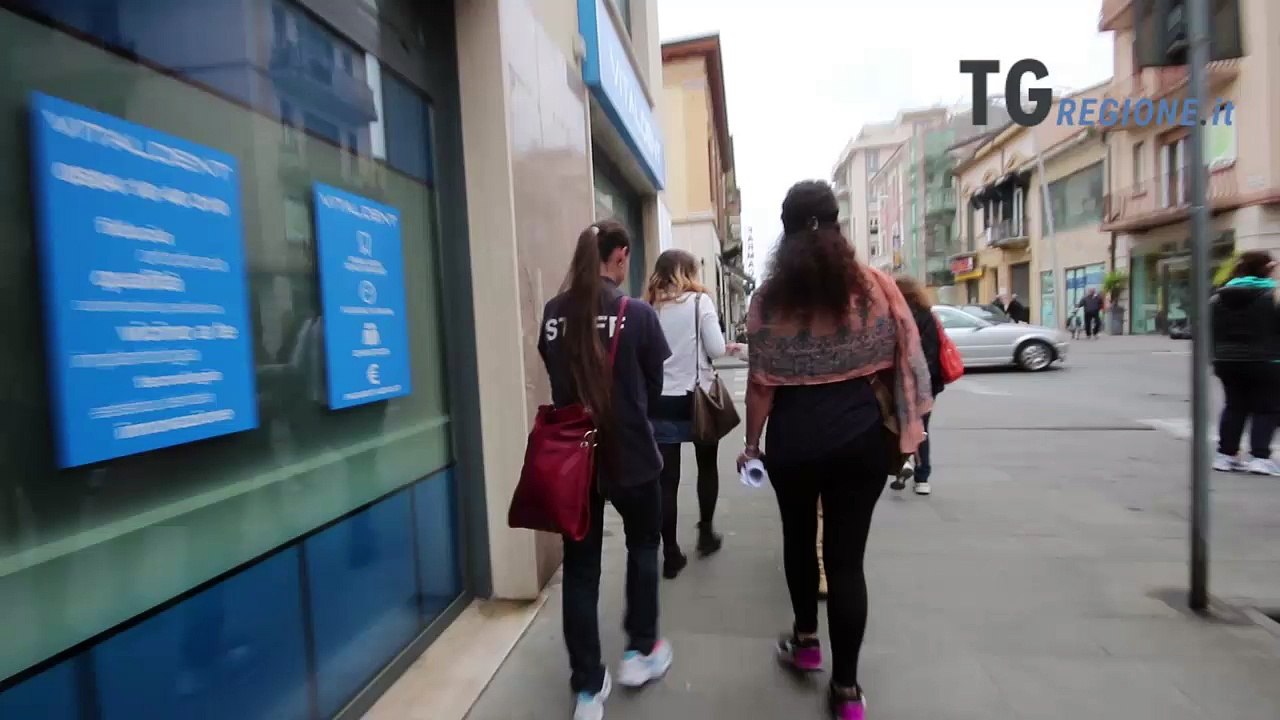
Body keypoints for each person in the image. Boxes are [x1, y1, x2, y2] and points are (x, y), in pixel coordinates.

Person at [737, 181, 932, 719]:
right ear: (837, 225)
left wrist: (752, 445)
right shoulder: (875, 288)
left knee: (799, 542)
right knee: (847, 563)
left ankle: (806, 644)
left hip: (794, 440)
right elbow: (906, 352)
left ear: (786, 234)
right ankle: (846, 693)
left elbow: (760, 386)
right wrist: (908, 421)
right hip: (860, 439)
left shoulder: (768, 301)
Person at [537, 220, 674, 720]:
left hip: (574, 459)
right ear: (619, 256)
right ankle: (641, 651)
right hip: (631, 453)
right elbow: (654, 386)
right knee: (643, 546)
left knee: (580, 570)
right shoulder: (636, 314)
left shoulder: (554, 314)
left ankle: (588, 689)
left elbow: (555, 375)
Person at [645, 249, 742, 578]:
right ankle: (706, 533)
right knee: (707, 467)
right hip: (697, 399)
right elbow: (716, 349)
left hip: (660, 401)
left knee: (666, 481)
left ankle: (671, 553)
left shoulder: (649, 307)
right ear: (686, 272)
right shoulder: (700, 303)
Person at [1210, 250, 1280, 476]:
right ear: (1267, 269)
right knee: (1266, 409)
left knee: (1234, 406)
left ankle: (1225, 455)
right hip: (1266, 360)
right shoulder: (1272, 296)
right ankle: (1260, 458)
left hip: (1226, 361)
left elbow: (1210, 331)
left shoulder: (1218, 297)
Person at [890, 275, 945, 496]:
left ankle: (903, 465)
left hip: (898, 382)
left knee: (898, 425)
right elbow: (932, 352)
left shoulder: (892, 314)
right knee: (921, 428)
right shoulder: (926, 315)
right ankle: (922, 478)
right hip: (925, 383)